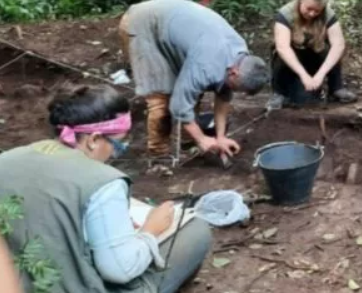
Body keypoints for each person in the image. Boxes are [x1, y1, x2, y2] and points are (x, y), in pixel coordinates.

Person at [0, 85, 212, 293]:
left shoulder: (7, 160)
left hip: (15, 280)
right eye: (117, 144)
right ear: (93, 140)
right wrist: (150, 230)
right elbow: (120, 270)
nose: (114, 154)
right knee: (195, 230)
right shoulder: (102, 182)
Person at [119, 0, 270, 159]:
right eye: (235, 87)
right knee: (160, 100)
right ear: (234, 72)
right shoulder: (206, 64)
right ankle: (159, 155)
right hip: (144, 24)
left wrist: (220, 137)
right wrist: (202, 139)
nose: (232, 90)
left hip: (174, 24)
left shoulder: (241, 55)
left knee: (194, 91)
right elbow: (179, 106)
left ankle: (188, 141)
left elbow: (224, 95)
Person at [270, 0, 358, 106]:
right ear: (301, 0)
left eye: (317, 11)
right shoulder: (285, 14)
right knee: (300, 99)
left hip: (315, 57)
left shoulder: (328, 14)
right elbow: (283, 47)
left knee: (331, 50)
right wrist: (303, 75)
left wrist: (320, 75)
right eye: (309, 9)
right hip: (292, 61)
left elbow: (338, 45)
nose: (312, 14)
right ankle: (280, 93)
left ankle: (336, 88)